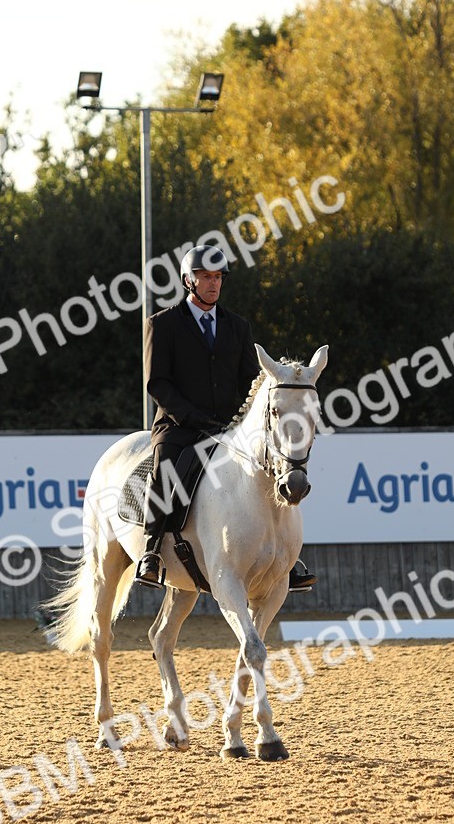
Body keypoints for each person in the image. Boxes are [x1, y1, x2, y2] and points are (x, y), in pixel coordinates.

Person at [135, 244, 317, 592]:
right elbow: (157, 383)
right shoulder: (163, 324)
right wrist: (193, 417)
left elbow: (251, 381)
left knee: (271, 468)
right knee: (165, 468)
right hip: (179, 426)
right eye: (205, 277)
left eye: (217, 277)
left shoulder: (237, 326)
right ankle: (152, 550)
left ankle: (285, 560)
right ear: (189, 280)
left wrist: (245, 419)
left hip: (227, 427)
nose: (213, 284)